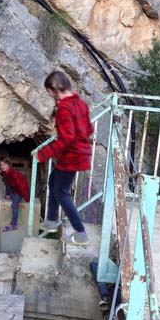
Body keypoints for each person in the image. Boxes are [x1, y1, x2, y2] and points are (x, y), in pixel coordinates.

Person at [37, 70, 94, 246]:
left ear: (55, 89)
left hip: (71, 156)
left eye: (50, 93)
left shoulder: (64, 108)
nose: (51, 97)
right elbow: (88, 129)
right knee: (54, 181)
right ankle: (52, 220)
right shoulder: (80, 104)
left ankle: (81, 233)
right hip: (78, 153)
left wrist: (44, 153)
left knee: (61, 192)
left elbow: (67, 139)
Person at [0, 157, 30, 232]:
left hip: (20, 190)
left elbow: (22, 187)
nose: (2, 167)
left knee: (14, 205)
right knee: (4, 179)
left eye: (4, 165)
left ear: (9, 165)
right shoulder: (6, 172)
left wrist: (27, 197)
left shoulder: (14, 174)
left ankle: (13, 224)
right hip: (14, 188)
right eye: (1, 165)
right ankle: (9, 194)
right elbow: (6, 178)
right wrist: (1, 172)